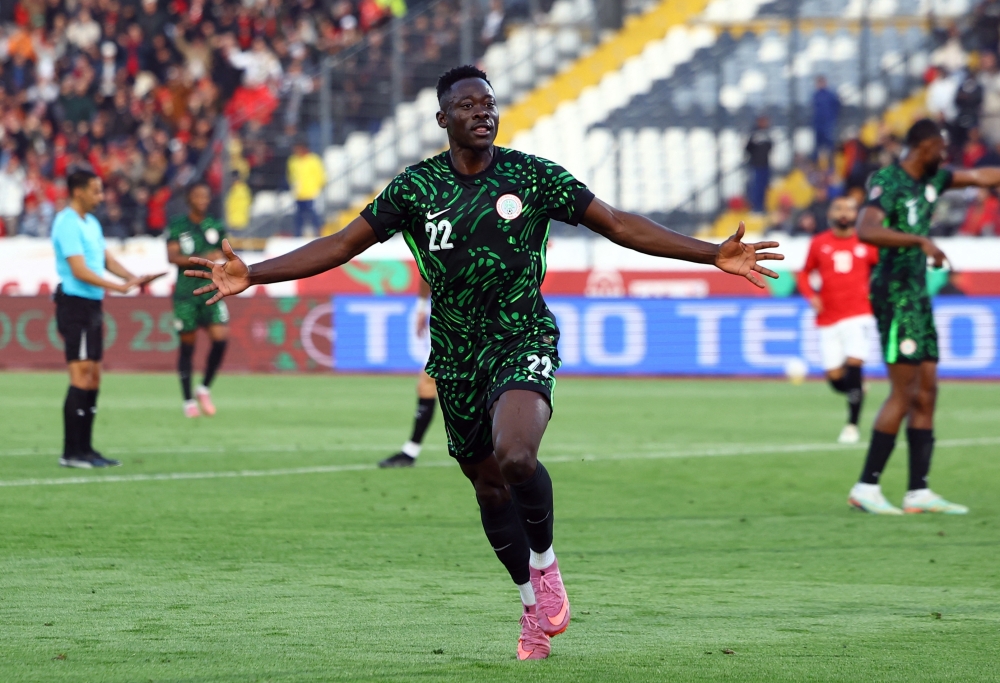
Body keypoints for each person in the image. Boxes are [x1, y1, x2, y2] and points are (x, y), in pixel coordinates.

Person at [185, 65, 783, 659]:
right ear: (443, 119)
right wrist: (254, 274)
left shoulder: (533, 176)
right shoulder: (415, 190)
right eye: (468, 105)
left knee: (517, 457)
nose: (482, 113)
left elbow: (620, 225)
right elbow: (341, 245)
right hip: (455, 356)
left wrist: (711, 255)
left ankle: (546, 568)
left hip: (521, 337)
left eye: (489, 103)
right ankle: (529, 607)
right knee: (489, 490)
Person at [849, 118, 1000, 515]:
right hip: (895, 294)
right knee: (903, 391)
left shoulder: (935, 180)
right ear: (923, 147)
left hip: (917, 295)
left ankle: (918, 491)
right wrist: (919, 239)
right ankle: (866, 486)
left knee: (928, 389)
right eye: (940, 148)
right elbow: (866, 229)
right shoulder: (890, 181)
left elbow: (981, 175)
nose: (944, 155)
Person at [52, 170, 162, 468]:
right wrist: (118, 287)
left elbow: (104, 260)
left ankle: (86, 449)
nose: (101, 197)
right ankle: (71, 452)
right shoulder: (66, 222)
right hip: (75, 305)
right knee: (80, 375)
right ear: (78, 192)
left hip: (92, 306)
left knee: (94, 376)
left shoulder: (91, 223)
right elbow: (79, 269)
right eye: (96, 191)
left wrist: (133, 278)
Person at [796, 196, 879, 444]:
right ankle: (858, 390)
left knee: (854, 365)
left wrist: (876, 293)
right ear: (831, 213)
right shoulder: (819, 243)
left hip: (859, 315)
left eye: (850, 209)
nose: (844, 213)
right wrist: (811, 296)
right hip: (828, 319)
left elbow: (883, 270)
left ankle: (852, 426)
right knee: (835, 380)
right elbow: (804, 273)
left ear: (857, 214)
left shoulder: (868, 243)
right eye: (839, 208)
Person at [167, 183, 230, 418]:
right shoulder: (178, 225)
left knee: (221, 339)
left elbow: (226, 252)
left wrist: (221, 258)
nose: (202, 200)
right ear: (189, 199)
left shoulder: (215, 225)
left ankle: (203, 388)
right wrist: (204, 257)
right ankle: (187, 401)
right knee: (187, 348)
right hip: (186, 295)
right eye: (197, 196)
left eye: (206, 195)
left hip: (212, 291)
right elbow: (173, 257)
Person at [379, 280, 438, 468]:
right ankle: (410, 450)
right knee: (427, 381)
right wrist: (421, 307)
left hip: (477, 317)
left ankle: (411, 451)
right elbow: (426, 272)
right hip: (451, 317)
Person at [287, 141, 327, 237]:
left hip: (312, 194)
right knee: (299, 217)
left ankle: (319, 235)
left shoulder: (314, 160)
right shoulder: (292, 160)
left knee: (314, 217)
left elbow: (321, 176)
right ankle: (298, 236)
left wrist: (317, 189)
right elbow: (290, 176)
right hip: (298, 194)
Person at [812, 76, 841, 167]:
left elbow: (837, 107)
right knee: (818, 147)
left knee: (830, 146)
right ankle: (818, 167)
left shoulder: (830, 95)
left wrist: (833, 118)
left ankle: (831, 166)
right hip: (818, 125)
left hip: (828, 124)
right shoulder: (815, 95)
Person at [746, 115, 772, 212]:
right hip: (756, 165)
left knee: (764, 187)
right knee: (755, 187)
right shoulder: (754, 134)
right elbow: (748, 148)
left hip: (765, 164)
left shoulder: (767, 133)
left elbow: (770, 147)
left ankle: (762, 206)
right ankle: (756, 207)